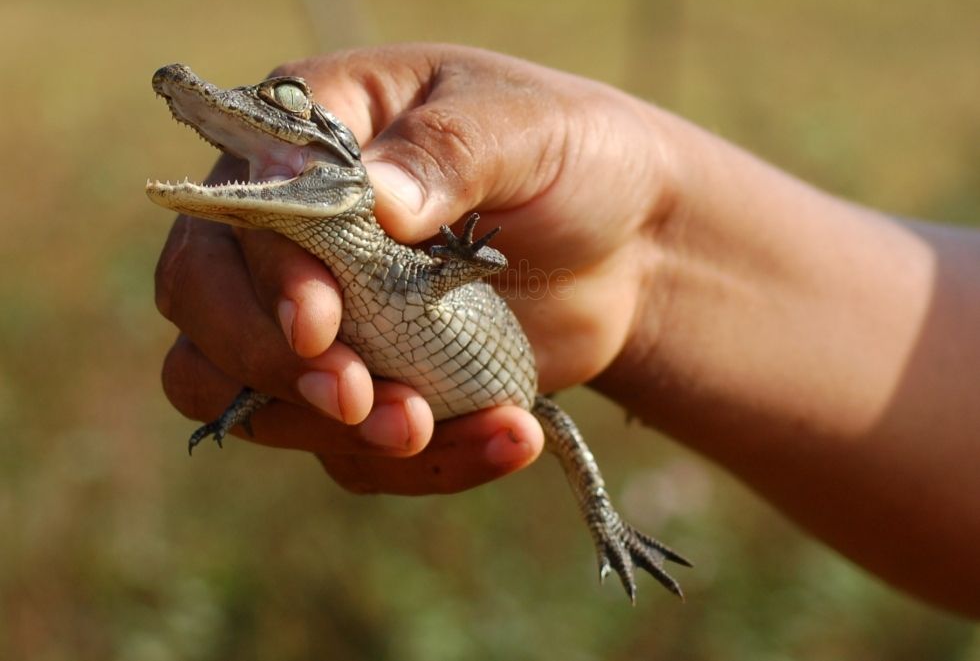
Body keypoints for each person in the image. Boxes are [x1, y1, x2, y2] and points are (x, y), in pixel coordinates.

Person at [154, 44, 980, 617]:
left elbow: (472, 264)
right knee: (311, 354)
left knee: (544, 419)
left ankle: (606, 521)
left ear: (349, 163)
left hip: (510, 385)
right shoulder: (338, 274)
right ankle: (261, 391)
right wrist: (641, 262)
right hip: (440, 383)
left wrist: (467, 256)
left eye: (287, 110)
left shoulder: (397, 248)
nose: (246, 108)